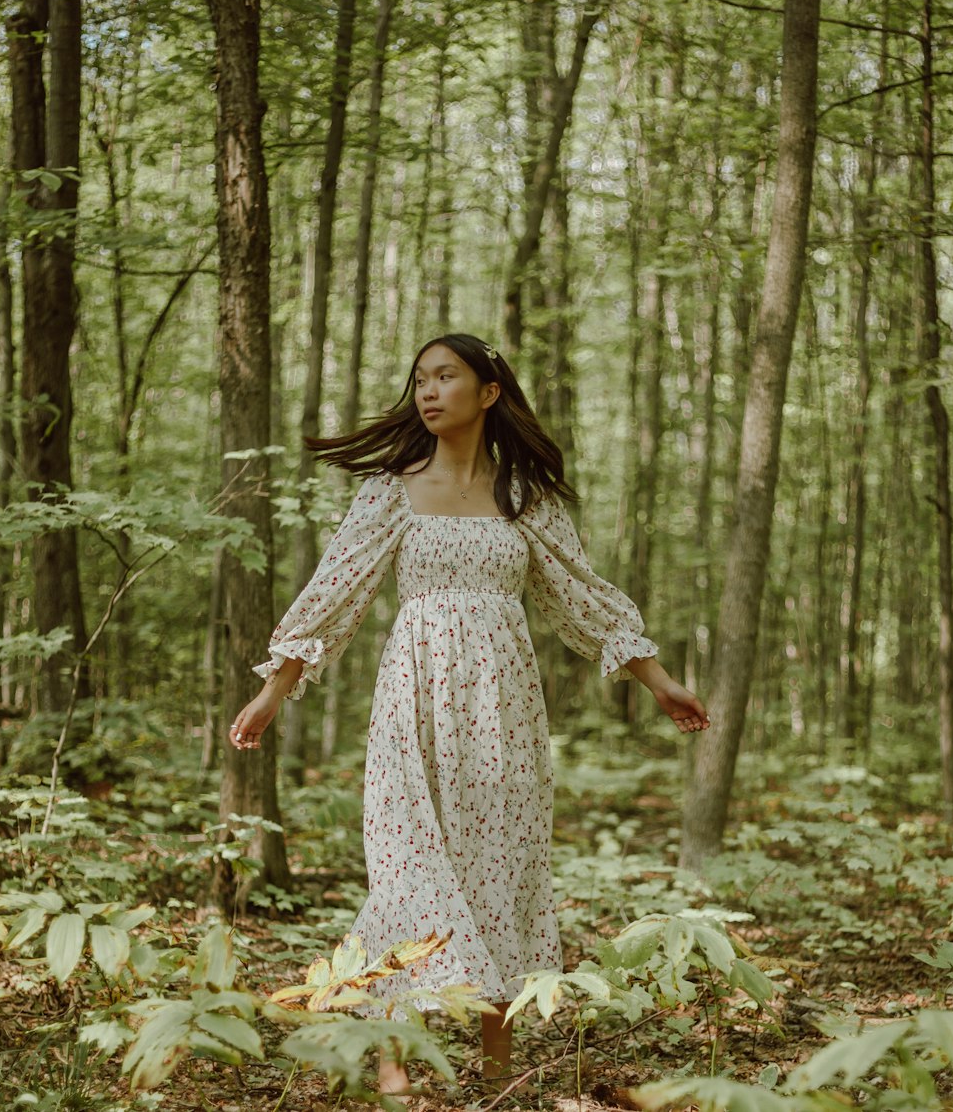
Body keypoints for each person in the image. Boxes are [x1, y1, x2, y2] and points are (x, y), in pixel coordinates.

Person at [229, 333, 709, 1094]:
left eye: (446, 376)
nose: (428, 390)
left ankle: (495, 1070)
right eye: (420, 378)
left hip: (504, 711)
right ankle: (396, 1069)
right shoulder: (391, 489)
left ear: (488, 391)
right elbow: (335, 592)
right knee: (405, 867)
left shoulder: (526, 498)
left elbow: (583, 597)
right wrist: (272, 690)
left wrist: (661, 682)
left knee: (502, 864)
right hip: (412, 700)